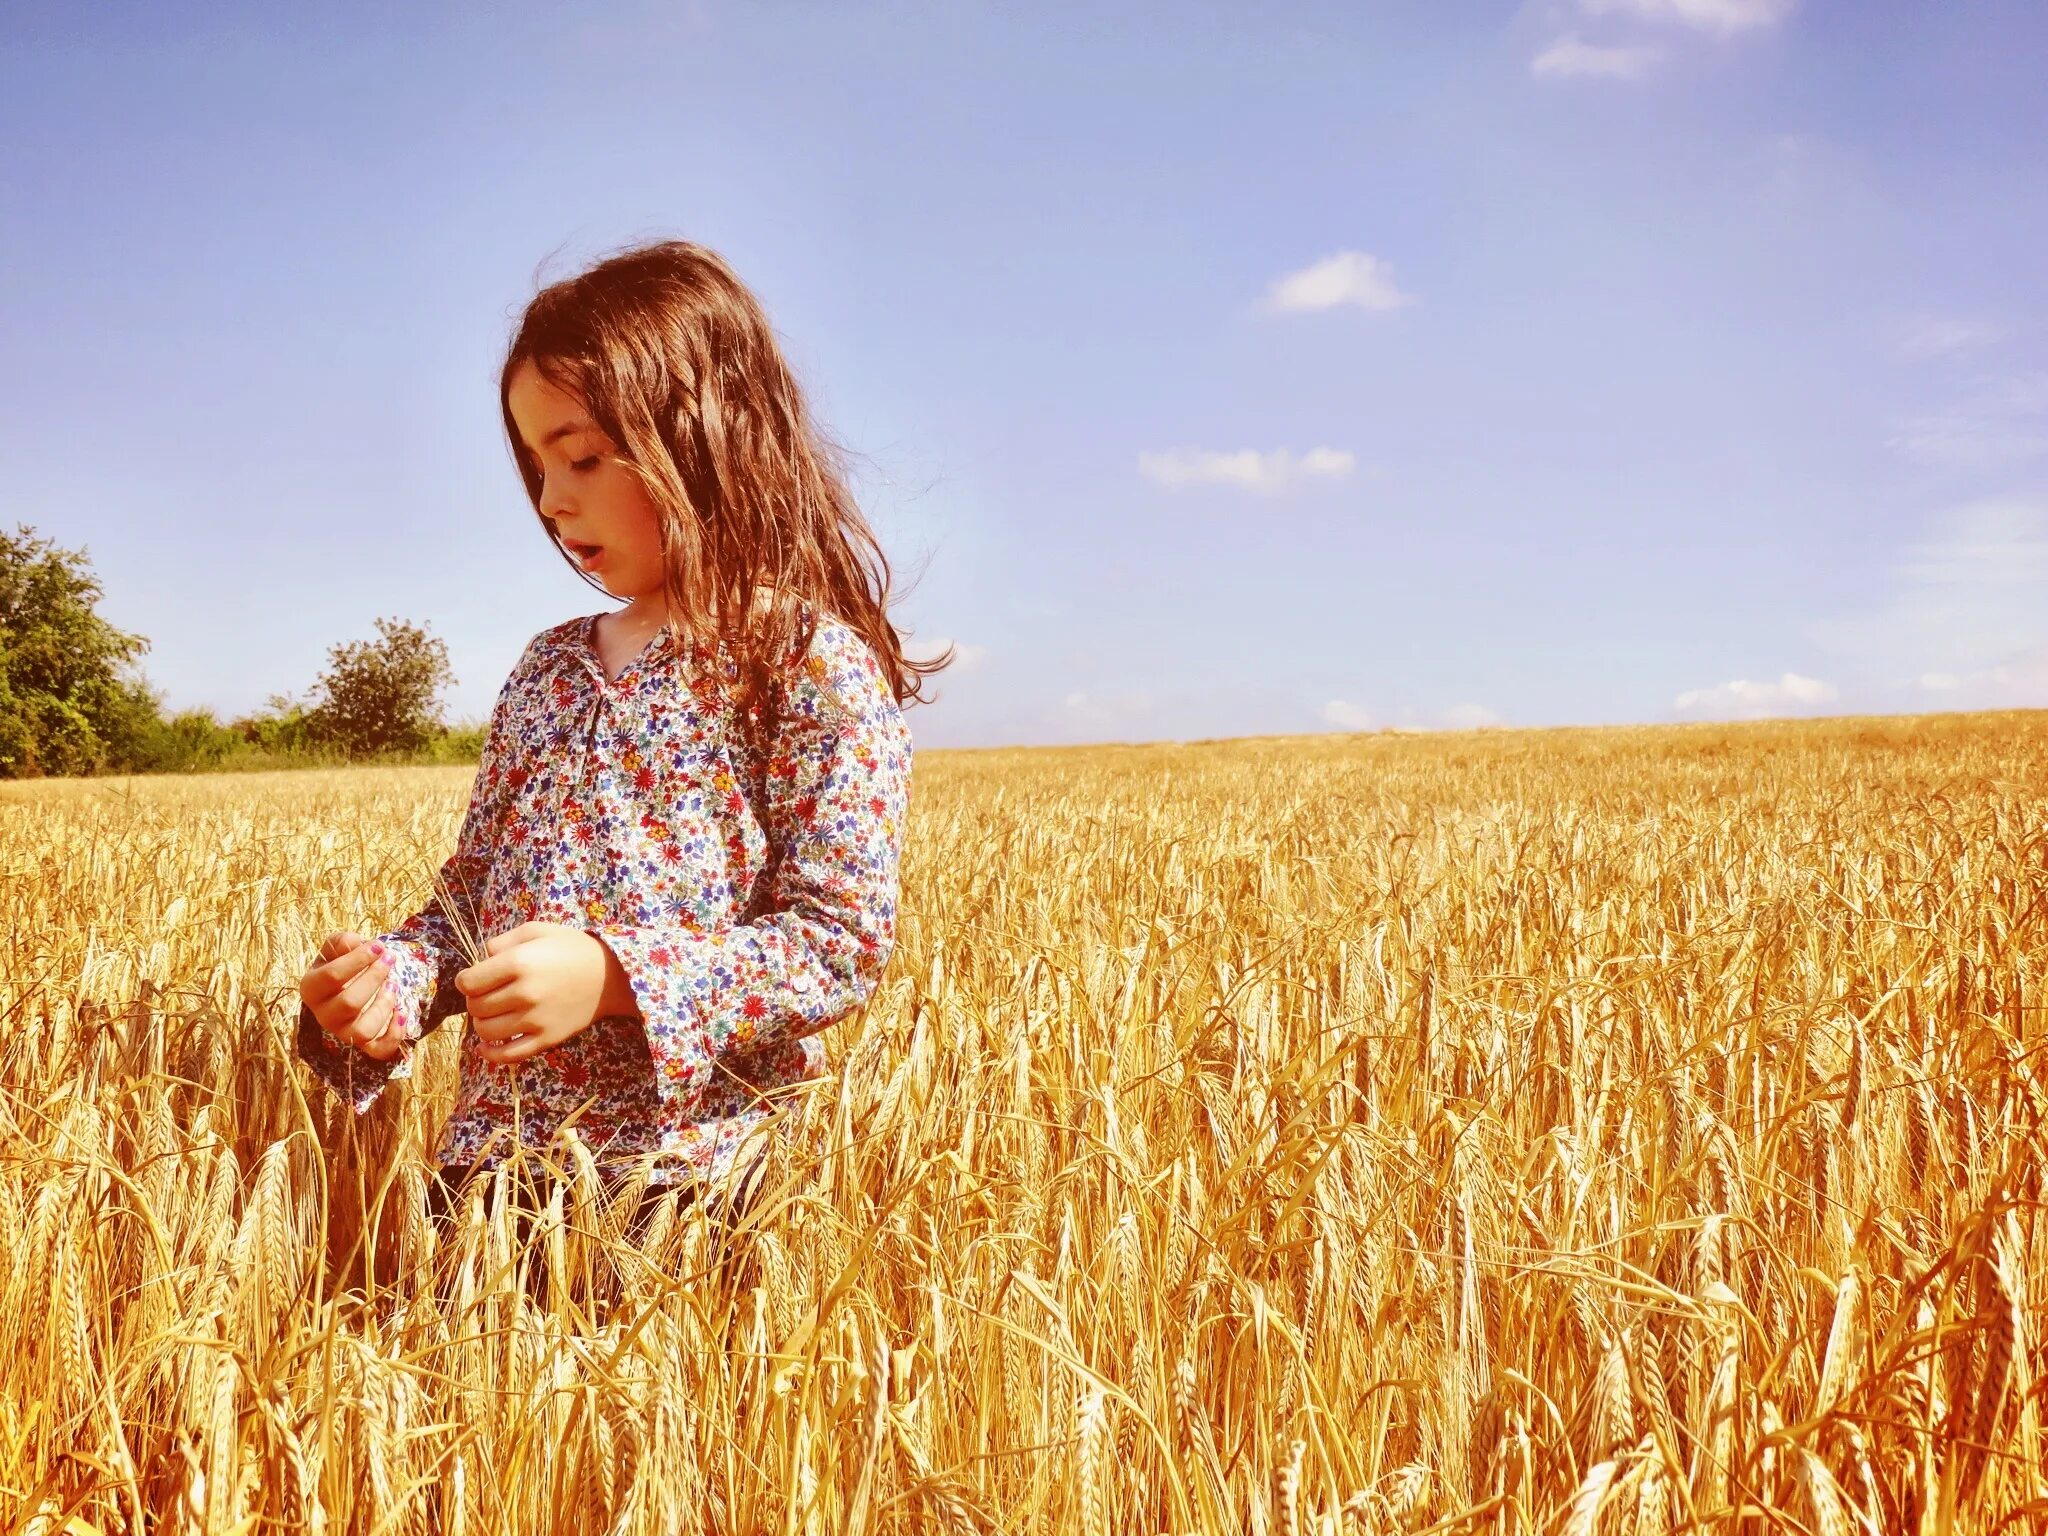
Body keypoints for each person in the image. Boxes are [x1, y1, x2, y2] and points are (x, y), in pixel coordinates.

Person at [295, 239, 946, 1249]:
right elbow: (470, 908)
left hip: (695, 1181)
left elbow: (837, 945)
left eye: (583, 454)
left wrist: (612, 978)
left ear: (705, 435)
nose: (552, 500)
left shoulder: (804, 661)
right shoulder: (544, 670)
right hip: (493, 1181)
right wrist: (391, 988)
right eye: (536, 464)